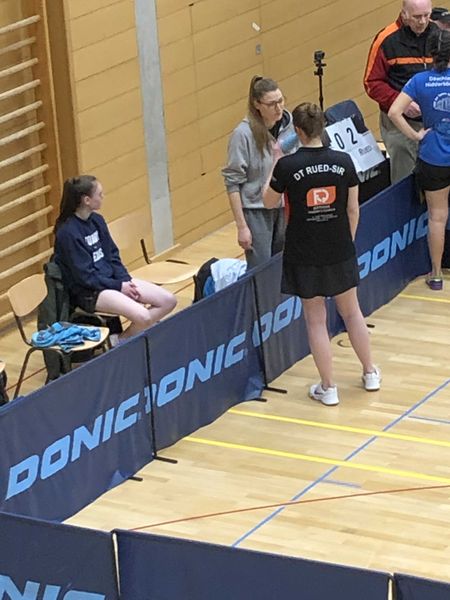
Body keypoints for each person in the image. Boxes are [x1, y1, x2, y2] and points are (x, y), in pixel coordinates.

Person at [263, 103, 381, 406]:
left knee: (316, 321)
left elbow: (268, 202)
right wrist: (346, 244)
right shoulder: (344, 161)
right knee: (352, 312)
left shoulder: (287, 166)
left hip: (304, 254)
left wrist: (276, 160)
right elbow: (352, 209)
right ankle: (370, 372)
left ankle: (329, 389)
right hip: (339, 249)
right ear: (322, 128)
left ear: (298, 132)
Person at [54, 176, 177, 342]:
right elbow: (86, 277)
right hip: (90, 292)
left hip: (112, 281)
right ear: (87, 200)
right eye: (100, 194)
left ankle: (123, 339)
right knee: (144, 317)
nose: (103, 197)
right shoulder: (67, 233)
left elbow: (112, 255)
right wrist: (119, 286)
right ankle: (119, 343)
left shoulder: (97, 220)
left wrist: (125, 281)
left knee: (168, 301)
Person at [388, 28, 450, 290]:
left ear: (430, 52)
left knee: (437, 217)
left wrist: (415, 135)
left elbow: (394, 112)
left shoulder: (419, 80)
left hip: (433, 157)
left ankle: (435, 275)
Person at [222, 75, 297, 269]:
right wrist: (242, 227)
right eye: (271, 104)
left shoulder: (291, 127)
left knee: (285, 266)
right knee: (261, 271)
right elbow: (232, 183)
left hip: (285, 207)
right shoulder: (242, 135)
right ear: (257, 105)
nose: (278, 108)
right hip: (257, 212)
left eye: (280, 100)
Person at [364, 0, 437, 183]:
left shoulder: (440, 34)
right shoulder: (386, 40)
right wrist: (400, 103)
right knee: (405, 179)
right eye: (417, 17)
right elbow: (371, 83)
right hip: (399, 121)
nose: (423, 21)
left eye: (427, 15)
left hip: (434, 119)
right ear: (404, 14)